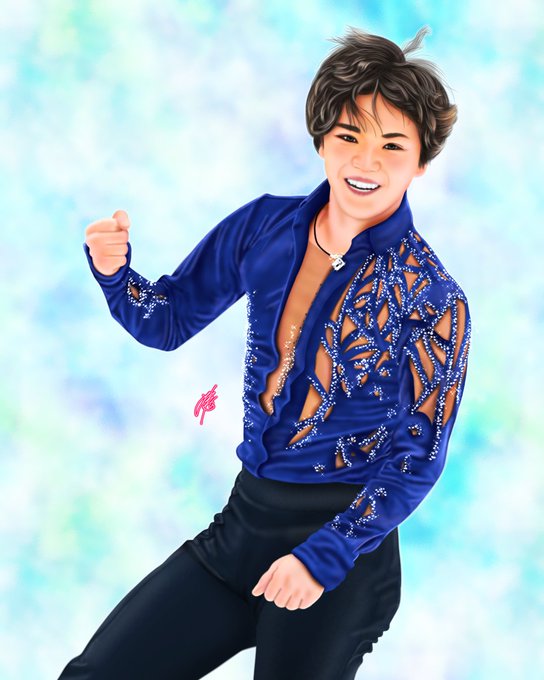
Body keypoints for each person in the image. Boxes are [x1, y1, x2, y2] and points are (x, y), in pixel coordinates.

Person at [57, 24, 471, 680]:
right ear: (322, 141)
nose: (366, 162)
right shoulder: (264, 227)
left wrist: (325, 555)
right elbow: (168, 320)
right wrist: (115, 273)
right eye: (349, 137)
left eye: (392, 145)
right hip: (242, 528)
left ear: (421, 160)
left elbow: (416, 456)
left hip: (345, 555)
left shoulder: (432, 296)